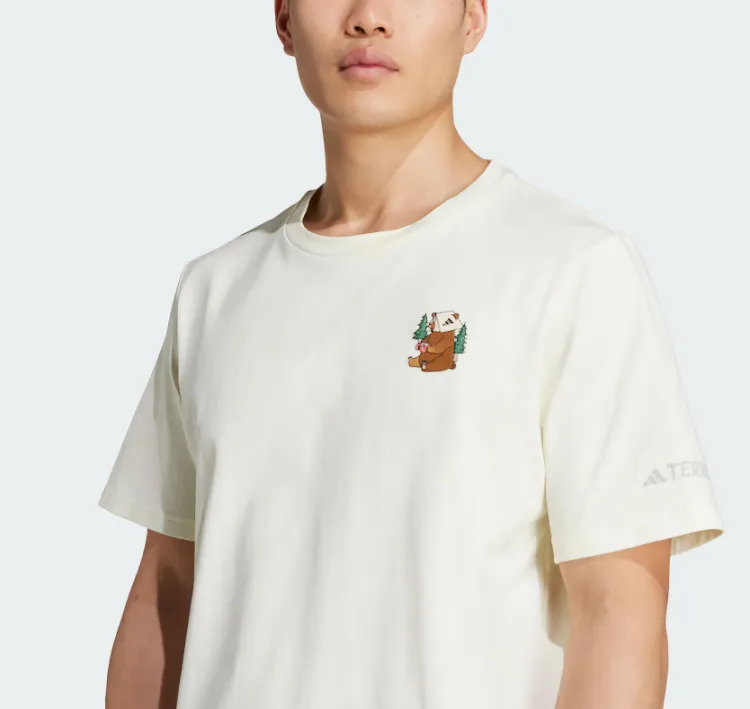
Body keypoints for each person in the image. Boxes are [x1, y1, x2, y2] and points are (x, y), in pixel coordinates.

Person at [99, 1, 725, 708]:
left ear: (473, 18)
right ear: (283, 20)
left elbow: (619, 613)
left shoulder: (571, 269)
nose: (369, 17)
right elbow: (168, 590)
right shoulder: (216, 291)